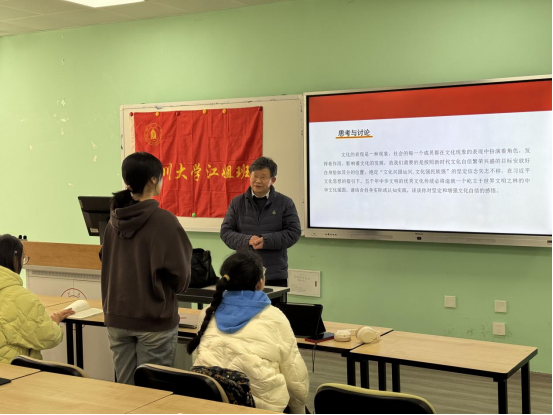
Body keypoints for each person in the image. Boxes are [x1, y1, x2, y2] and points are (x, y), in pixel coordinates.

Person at [100, 152, 193, 385]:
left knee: (126, 390)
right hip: (153, 319)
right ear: (153, 179)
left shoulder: (112, 222)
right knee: (152, 395)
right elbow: (181, 275)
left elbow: (105, 258)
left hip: (117, 318)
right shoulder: (164, 221)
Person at [187, 250, 309, 414]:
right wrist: (299, 408)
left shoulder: (208, 312)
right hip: (260, 407)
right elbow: (295, 375)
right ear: (260, 282)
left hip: (209, 403)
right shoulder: (274, 317)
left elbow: (199, 360)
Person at [220, 157, 301, 287]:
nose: (258, 181)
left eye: (263, 177)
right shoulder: (237, 203)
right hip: (244, 272)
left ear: (272, 180)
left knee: (273, 301)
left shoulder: (285, 203)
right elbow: (226, 232)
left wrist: (266, 240)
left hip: (274, 273)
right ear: (249, 176)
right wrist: (247, 240)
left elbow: (294, 232)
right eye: (255, 176)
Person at [0, 234, 74, 365]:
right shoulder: (22, 298)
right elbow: (49, 337)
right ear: (14, 259)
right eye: (23, 258)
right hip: (14, 371)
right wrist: (54, 322)